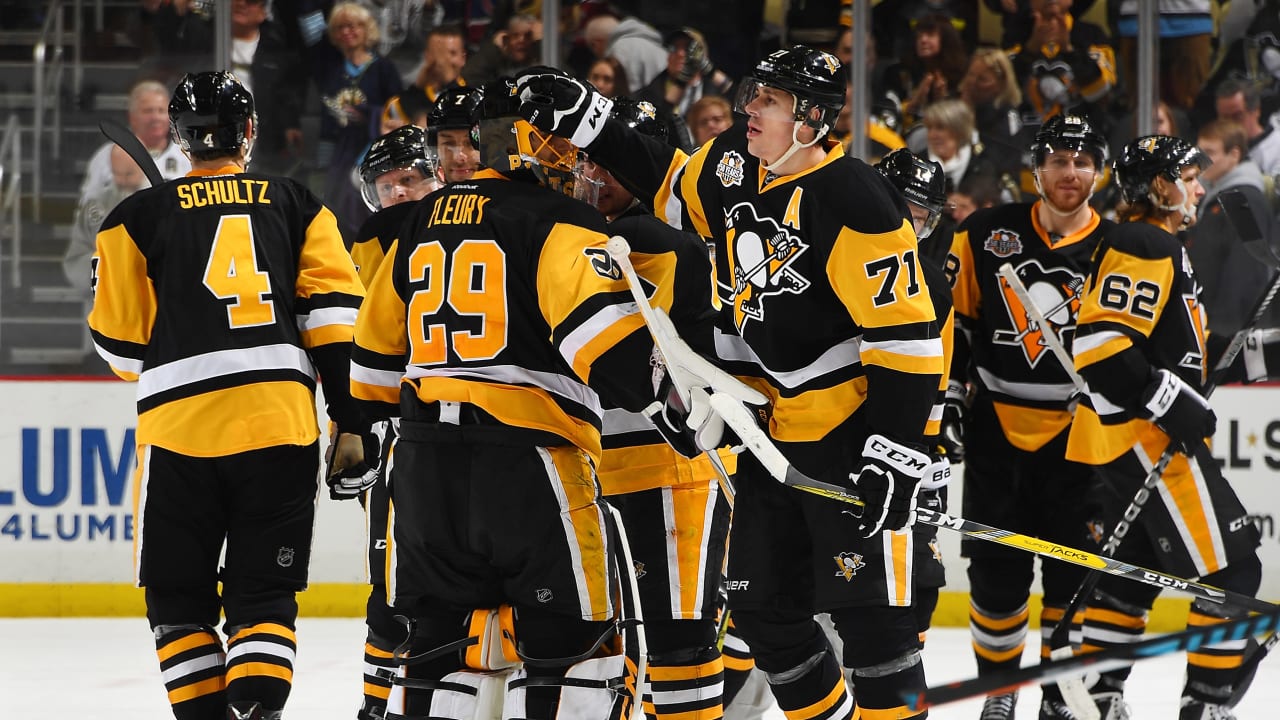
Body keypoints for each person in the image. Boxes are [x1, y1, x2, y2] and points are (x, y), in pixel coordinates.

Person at [515, 45, 944, 719]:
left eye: (768, 101)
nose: (750, 108)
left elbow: (907, 335)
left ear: (811, 118)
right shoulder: (732, 167)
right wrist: (588, 120)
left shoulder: (855, 195)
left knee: (875, 627)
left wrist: (894, 447)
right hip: (771, 437)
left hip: (847, 429)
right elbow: (664, 177)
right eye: (754, 95)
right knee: (760, 609)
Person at [349, 77, 661, 720]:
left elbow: (372, 373)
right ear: (517, 142)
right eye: (550, 142)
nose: (564, 157)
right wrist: (680, 400)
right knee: (576, 649)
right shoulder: (559, 219)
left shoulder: (417, 223)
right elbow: (613, 354)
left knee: (442, 654)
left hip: (425, 469)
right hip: (529, 465)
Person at [87, 70, 372, 720]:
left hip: (180, 431)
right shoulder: (297, 202)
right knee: (265, 595)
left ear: (183, 140)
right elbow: (332, 320)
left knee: (177, 598)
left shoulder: (133, 219)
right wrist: (349, 420)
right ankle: (256, 710)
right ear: (248, 133)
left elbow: (124, 354)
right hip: (279, 427)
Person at [1067, 135, 1268, 720]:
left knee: (1134, 576)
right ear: (1159, 185)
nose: (1200, 187)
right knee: (1234, 572)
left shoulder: (1154, 245)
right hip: (1146, 438)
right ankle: (1206, 706)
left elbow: (1185, 355)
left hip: (1121, 437)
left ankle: (1101, 697)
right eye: (1188, 175)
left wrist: (1266, 354)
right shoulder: (1143, 240)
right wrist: (1172, 405)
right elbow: (1103, 351)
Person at [944, 113, 1113, 720]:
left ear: (1100, 168)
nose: (1070, 173)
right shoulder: (987, 233)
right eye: (1059, 161)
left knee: (1073, 584)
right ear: (1036, 167)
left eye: (1082, 160)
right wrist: (949, 402)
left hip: (1081, 437)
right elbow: (956, 324)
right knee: (995, 576)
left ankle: (1056, 694)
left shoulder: (1117, 247)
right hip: (998, 433)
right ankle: (999, 695)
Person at [578, 95, 733, 720]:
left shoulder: (659, 240)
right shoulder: (599, 235)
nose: (600, 177)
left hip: (672, 476)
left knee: (677, 648)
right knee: (633, 651)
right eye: (595, 163)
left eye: (618, 164)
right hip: (611, 470)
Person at [346, 124, 441, 720]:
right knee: (393, 594)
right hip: (400, 438)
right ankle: (378, 710)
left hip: (477, 433)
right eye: (388, 186)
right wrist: (351, 428)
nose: (401, 193)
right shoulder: (369, 247)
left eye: (411, 179)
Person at [313, 2, 404, 238]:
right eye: (341, 27)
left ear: (367, 30)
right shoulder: (331, 72)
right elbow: (326, 121)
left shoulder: (383, 68)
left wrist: (368, 115)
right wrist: (324, 166)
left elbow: (397, 111)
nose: (347, 32)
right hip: (342, 150)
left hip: (374, 148)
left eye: (354, 26)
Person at [1188, 119, 1276, 337]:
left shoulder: (1243, 200)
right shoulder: (1217, 197)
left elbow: (1246, 271)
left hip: (1229, 332)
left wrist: (1225, 332)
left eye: (1209, 152)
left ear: (1234, 154)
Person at [228, 0, 307, 177]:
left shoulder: (277, 49)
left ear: (264, 12)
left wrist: (290, 124)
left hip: (264, 145)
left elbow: (287, 94)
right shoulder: (207, 41)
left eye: (251, 1)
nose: (241, 4)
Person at [79, 79, 190, 198]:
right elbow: (89, 205)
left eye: (161, 111)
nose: (156, 117)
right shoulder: (106, 156)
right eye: (148, 111)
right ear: (132, 117)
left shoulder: (187, 156)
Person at [64, 145, 147, 297]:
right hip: (104, 306)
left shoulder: (167, 202)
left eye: (129, 174)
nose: (122, 181)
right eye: (117, 174)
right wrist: (108, 266)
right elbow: (76, 257)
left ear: (143, 167)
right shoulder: (95, 205)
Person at [397, 23, 468, 127]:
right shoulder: (403, 101)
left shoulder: (478, 95)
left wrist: (450, 84)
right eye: (439, 53)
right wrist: (417, 88)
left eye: (452, 53)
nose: (444, 61)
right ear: (427, 57)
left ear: (463, 58)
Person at [425, 84, 484, 183]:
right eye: (448, 144)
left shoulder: (515, 196)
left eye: (471, 143)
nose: (458, 158)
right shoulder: (430, 198)